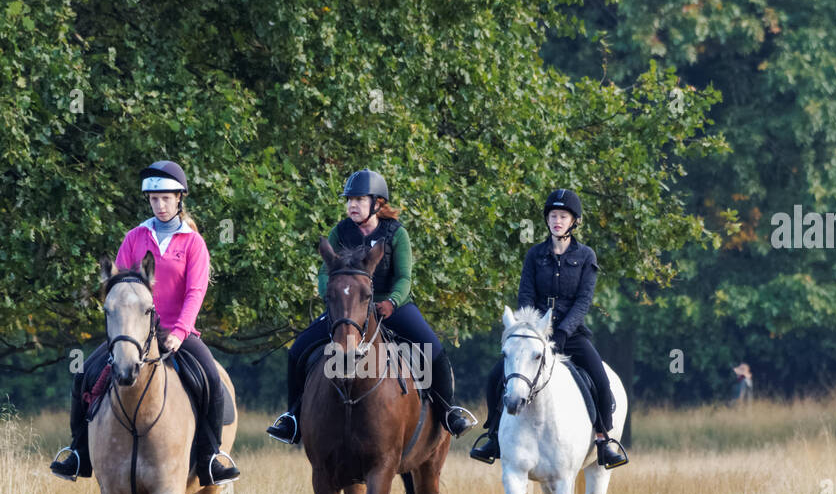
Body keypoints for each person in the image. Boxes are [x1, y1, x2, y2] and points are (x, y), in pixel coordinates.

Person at [50, 159, 240, 487]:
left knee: (210, 377)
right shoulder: (135, 237)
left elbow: (196, 292)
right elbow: (119, 286)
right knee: (84, 374)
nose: (160, 205)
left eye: (166, 198)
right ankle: (78, 451)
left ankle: (211, 456)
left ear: (179, 198)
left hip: (177, 332)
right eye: (154, 199)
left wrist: (180, 332)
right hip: (134, 333)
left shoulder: (193, 243)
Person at [265, 169, 476, 444]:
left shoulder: (397, 234)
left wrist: (392, 302)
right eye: (349, 200)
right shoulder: (339, 232)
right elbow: (324, 273)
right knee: (298, 351)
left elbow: (404, 278)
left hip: (391, 306)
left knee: (432, 348)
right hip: (346, 310)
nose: (352, 205)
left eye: (359, 200)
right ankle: (292, 418)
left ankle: (449, 411)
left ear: (377, 203)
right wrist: (330, 298)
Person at [470, 188, 628, 468]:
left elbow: (583, 301)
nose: (557, 220)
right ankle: (493, 435)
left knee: (601, 380)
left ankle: (604, 440)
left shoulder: (586, 256)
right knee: (496, 376)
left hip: (572, 333)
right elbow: (526, 296)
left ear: (573, 221)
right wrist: (531, 327)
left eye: (563, 216)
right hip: (534, 335)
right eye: (553, 215)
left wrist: (564, 331)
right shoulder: (535, 255)